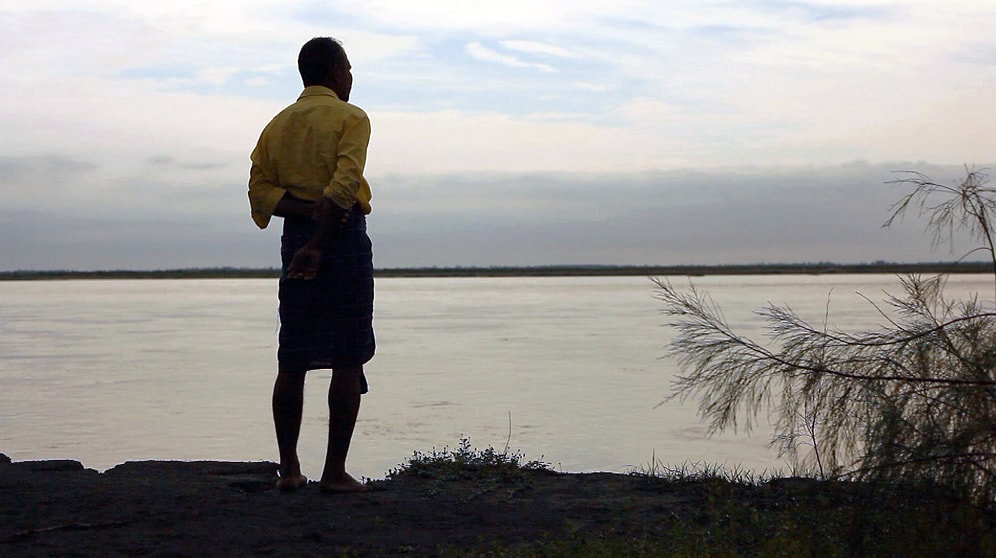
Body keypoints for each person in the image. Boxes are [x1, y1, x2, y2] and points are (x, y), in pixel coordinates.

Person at [247, 37, 375, 493]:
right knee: (349, 355)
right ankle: (334, 473)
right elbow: (344, 187)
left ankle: (290, 470)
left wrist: (302, 217)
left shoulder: (277, 125)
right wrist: (320, 240)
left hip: (297, 237)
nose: (351, 77)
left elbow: (258, 191)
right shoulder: (351, 117)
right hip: (339, 239)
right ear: (338, 71)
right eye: (349, 68)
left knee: (293, 356)